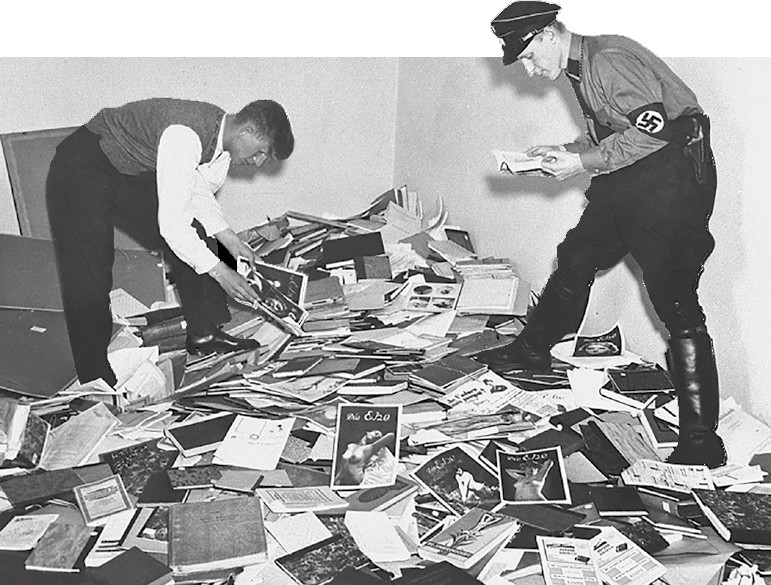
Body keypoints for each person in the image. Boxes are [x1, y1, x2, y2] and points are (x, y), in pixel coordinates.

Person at [481, 2, 725, 468]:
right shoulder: (582, 66)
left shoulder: (607, 59)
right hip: (632, 174)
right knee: (577, 256)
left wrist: (582, 163)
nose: (530, 70)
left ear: (549, 34)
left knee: (675, 301)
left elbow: (653, 131)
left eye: (529, 56)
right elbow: (615, 130)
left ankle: (701, 441)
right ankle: (531, 351)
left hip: (669, 179)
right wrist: (564, 151)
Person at [47, 97, 294, 388]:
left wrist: (228, 237)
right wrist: (221, 273)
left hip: (124, 169)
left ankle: (203, 334)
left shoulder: (219, 135)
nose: (258, 162)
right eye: (261, 152)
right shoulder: (185, 135)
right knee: (90, 272)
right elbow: (173, 228)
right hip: (80, 169)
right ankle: (94, 377)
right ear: (247, 131)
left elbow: (194, 188)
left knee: (197, 237)